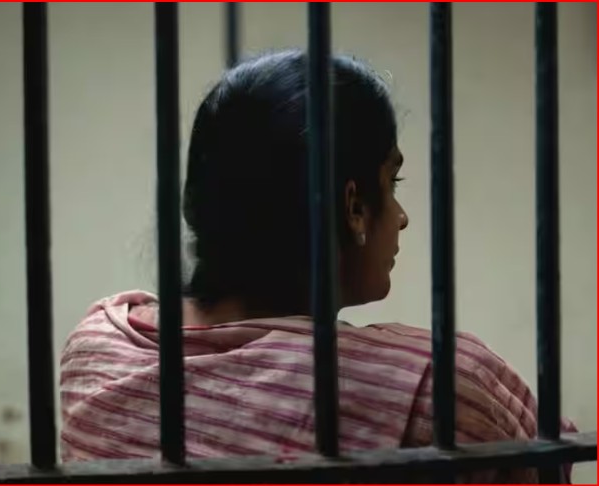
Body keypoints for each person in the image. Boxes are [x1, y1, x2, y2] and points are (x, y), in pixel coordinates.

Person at [60, 50, 575, 482]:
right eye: (391, 183)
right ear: (353, 207)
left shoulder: (97, 348)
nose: (401, 216)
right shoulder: (437, 386)